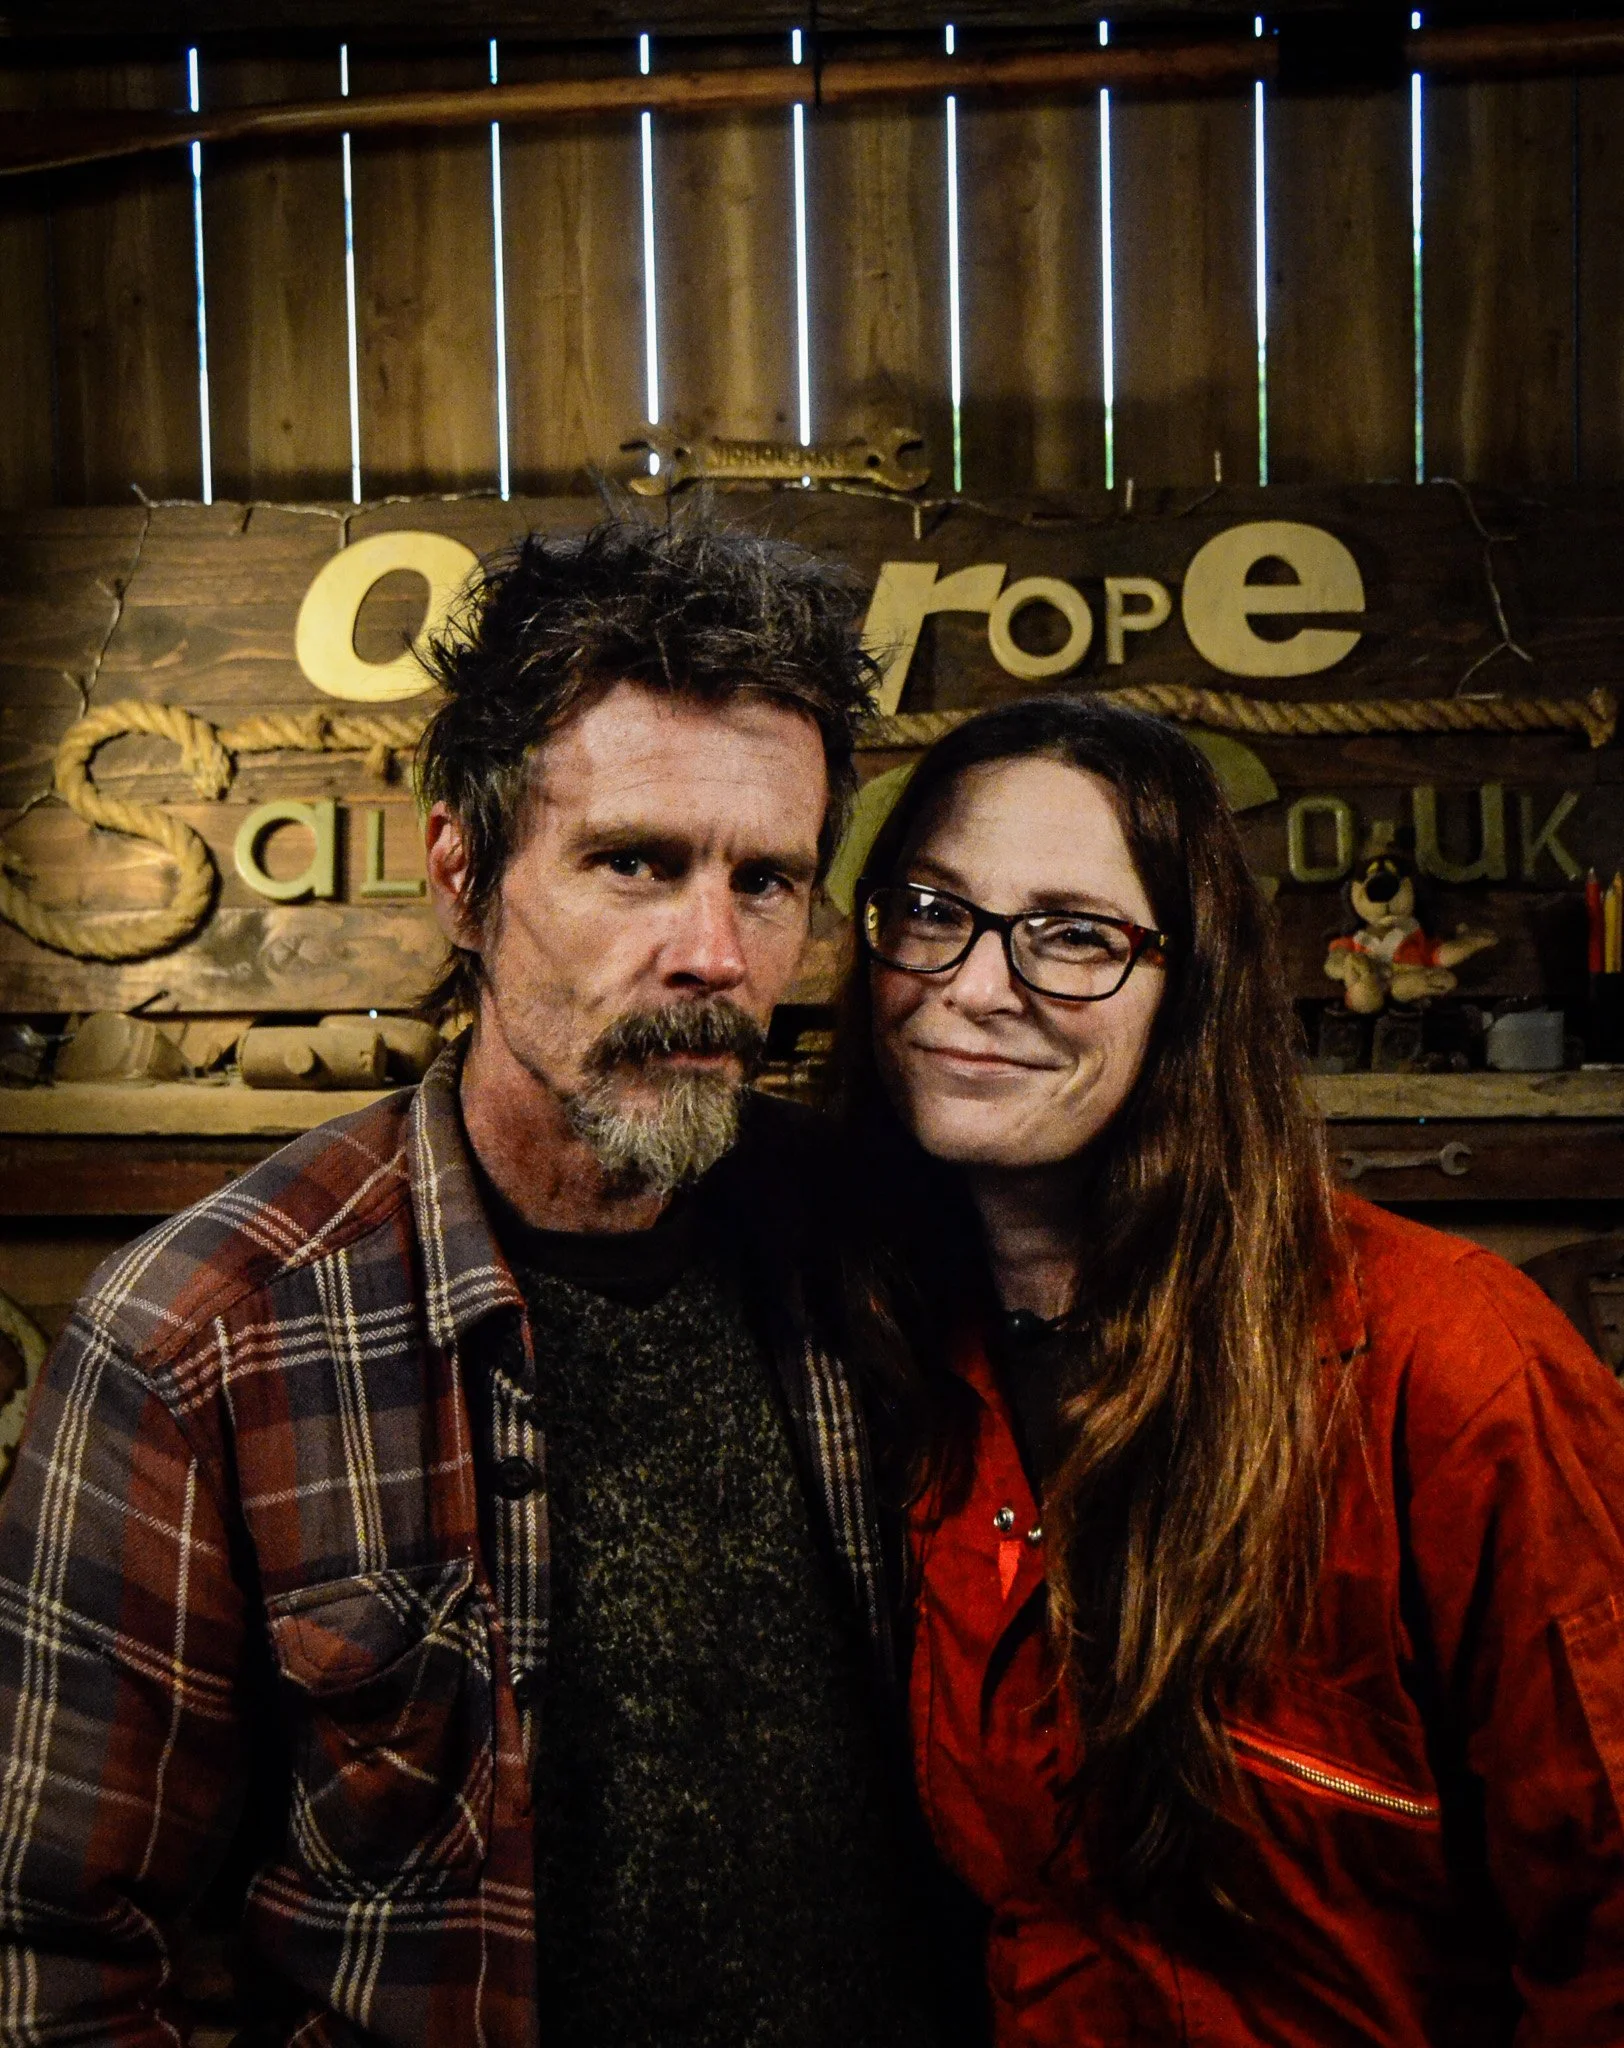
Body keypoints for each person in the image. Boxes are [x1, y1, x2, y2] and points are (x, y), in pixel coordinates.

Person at [0, 517, 940, 2048]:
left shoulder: (885, 1259)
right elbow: (55, 1954)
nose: (711, 950)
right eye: (635, 862)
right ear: (462, 871)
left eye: (766, 882)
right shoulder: (200, 1337)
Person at [835, 692, 1624, 2046]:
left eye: (1074, 936)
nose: (972, 984)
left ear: (1189, 987)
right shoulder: (870, 1350)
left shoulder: (1452, 1365)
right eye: (931, 910)